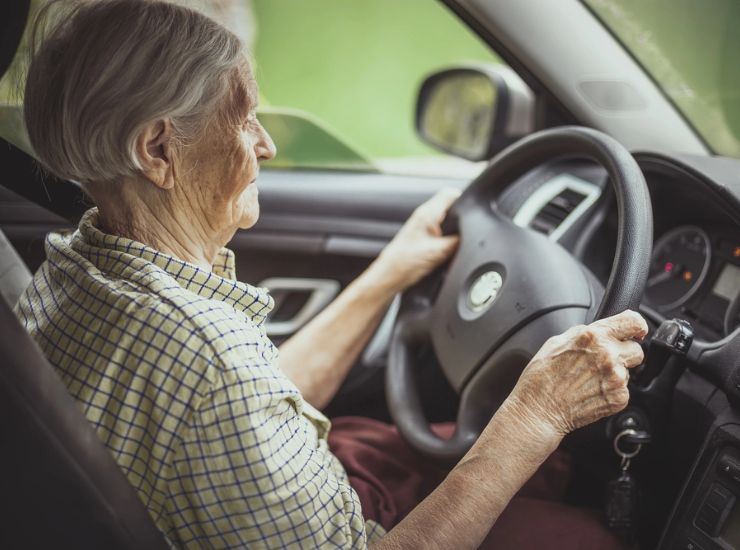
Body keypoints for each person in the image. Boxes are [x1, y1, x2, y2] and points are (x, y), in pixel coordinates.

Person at [15, 1, 647, 548]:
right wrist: (537, 412)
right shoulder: (209, 360)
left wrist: (387, 275)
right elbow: (223, 388)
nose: (265, 145)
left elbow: (237, 401)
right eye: (242, 119)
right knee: (586, 535)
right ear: (158, 151)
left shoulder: (74, 265)